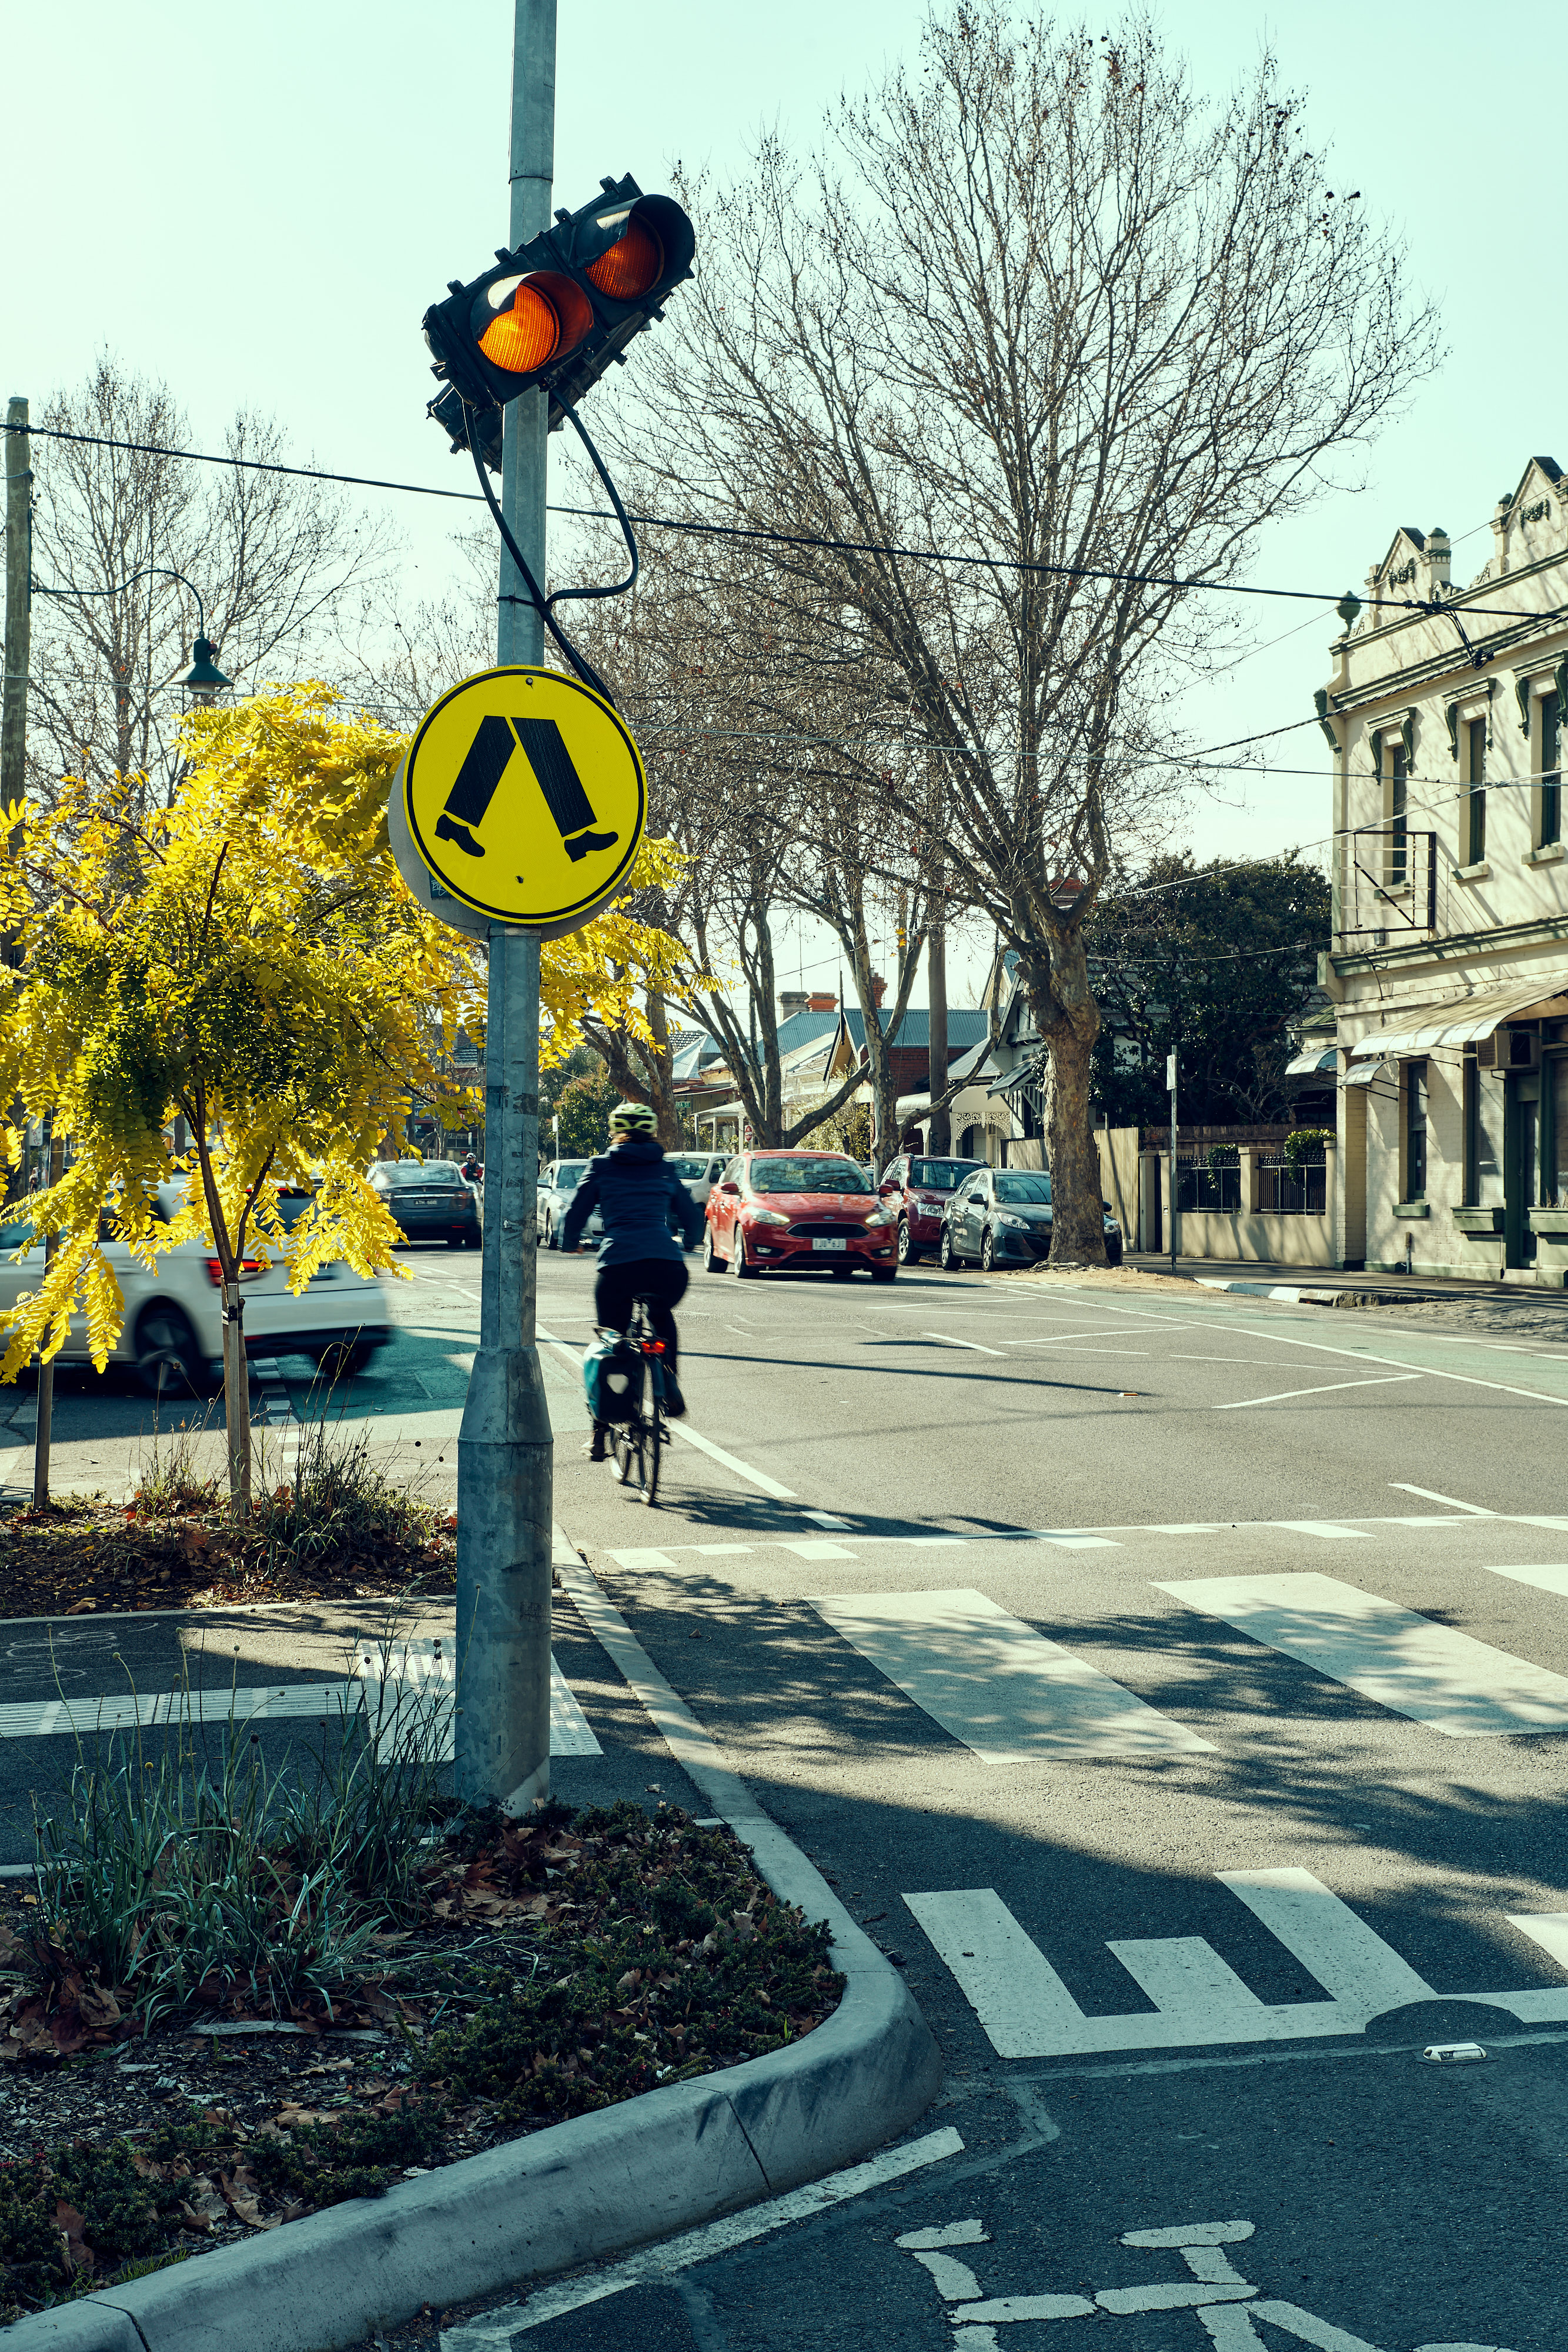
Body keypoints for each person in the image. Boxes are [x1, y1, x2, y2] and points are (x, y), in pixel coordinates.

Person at [561, 1101, 704, 1459]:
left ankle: (598, 1434)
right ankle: (669, 1384)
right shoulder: (666, 1169)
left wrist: (570, 1243)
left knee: (611, 1341)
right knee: (661, 1314)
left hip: (619, 1266)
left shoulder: (602, 1166)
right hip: (667, 1267)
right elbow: (689, 1213)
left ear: (616, 1133)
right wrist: (691, 1240)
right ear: (653, 1133)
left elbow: (578, 1209)